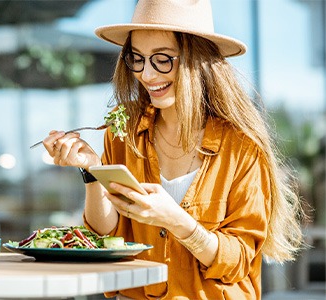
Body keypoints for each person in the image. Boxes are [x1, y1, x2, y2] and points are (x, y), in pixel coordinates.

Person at [43, 0, 306, 299]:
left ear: (197, 59)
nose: (147, 74)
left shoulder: (241, 148)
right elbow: (108, 237)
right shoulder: (122, 132)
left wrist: (176, 221)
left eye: (162, 59)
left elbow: (239, 260)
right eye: (137, 59)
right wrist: (92, 171)